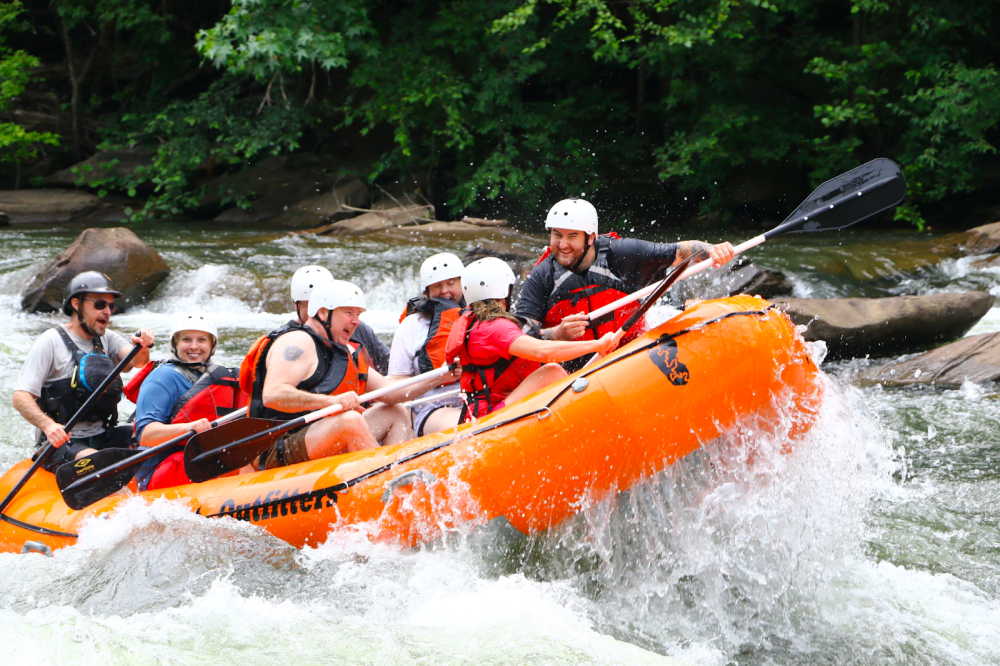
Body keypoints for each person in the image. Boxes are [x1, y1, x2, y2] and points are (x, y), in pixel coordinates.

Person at [246, 280, 453, 470]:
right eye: (349, 313)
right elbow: (273, 395)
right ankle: (388, 483)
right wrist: (330, 401)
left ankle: (400, 473)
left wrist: (441, 376)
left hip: (316, 436)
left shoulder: (345, 351)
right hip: (276, 445)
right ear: (323, 313)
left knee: (395, 411)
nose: (356, 322)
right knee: (350, 421)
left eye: (358, 314)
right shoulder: (298, 342)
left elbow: (392, 393)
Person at [515, 199, 736, 368]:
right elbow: (521, 338)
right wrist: (557, 332)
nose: (563, 244)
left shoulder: (620, 253)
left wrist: (711, 249)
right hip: (573, 370)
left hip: (630, 354)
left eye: (572, 236)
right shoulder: (541, 276)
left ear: (590, 237)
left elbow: (679, 252)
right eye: (557, 235)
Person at [12, 271, 155, 471]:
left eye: (111, 305)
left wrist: (143, 344)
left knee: (150, 435)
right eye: (99, 304)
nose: (107, 311)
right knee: (97, 463)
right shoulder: (50, 342)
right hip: (60, 443)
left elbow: (138, 361)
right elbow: (20, 397)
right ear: (76, 304)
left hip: (103, 435)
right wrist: (48, 425)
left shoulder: (108, 339)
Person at [445, 258, 616, 420]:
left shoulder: (476, 324)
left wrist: (557, 333)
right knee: (551, 372)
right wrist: (596, 345)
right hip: (490, 418)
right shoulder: (493, 327)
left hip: (480, 413)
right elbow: (541, 351)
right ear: (504, 292)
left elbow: (532, 340)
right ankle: (587, 415)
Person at [128, 313, 245, 490]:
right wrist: (188, 427)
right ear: (175, 344)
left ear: (212, 344)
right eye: (186, 340)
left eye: (201, 340)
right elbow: (145, 435)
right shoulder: (163, 376)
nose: (194, 347)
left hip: (201, 460)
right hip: (163, 470)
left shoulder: (218, 377)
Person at [388, 252, 466, 436]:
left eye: (451, 283)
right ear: (428, 291)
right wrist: (438, 378)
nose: (445, 290)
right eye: (437, 285)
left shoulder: (480, 315)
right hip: (434, 406)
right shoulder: (412, 325)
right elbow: (397, 384)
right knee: (467, 426)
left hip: (478, 397)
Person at [290, 265, 390, 375]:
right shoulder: (289, 341)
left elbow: (390, 369)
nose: (315, 309)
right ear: (296, 304)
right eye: (310, 304)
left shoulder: (358, 329)